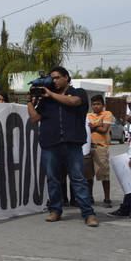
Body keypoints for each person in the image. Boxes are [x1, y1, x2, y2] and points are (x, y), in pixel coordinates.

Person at [26, 66, 97, 226]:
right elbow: (35, 118)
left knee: (78, 179)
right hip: (50, 144)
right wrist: (30, 102)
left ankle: (88, 214)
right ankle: (55, 210)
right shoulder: (47, 98)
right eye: (52, 78)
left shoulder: (78, 92)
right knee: (53, 179)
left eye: (57, 77)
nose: (54, 81)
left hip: (72, 143)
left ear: (67, 77)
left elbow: (74, 102)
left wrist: (50, 93)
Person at [85, 94, 115, 207]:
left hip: (100, 147)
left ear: (103, 105)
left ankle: (107, 198)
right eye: (94, 104)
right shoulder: (88, 115)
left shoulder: (107, 114)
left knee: (104, 174)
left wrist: (93, 126)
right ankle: (90, 197)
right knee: (88, 175)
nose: (96, 106)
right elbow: (87, 127)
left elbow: (104, 130)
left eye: (98, 104)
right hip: (88, 147)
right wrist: (99, 123)